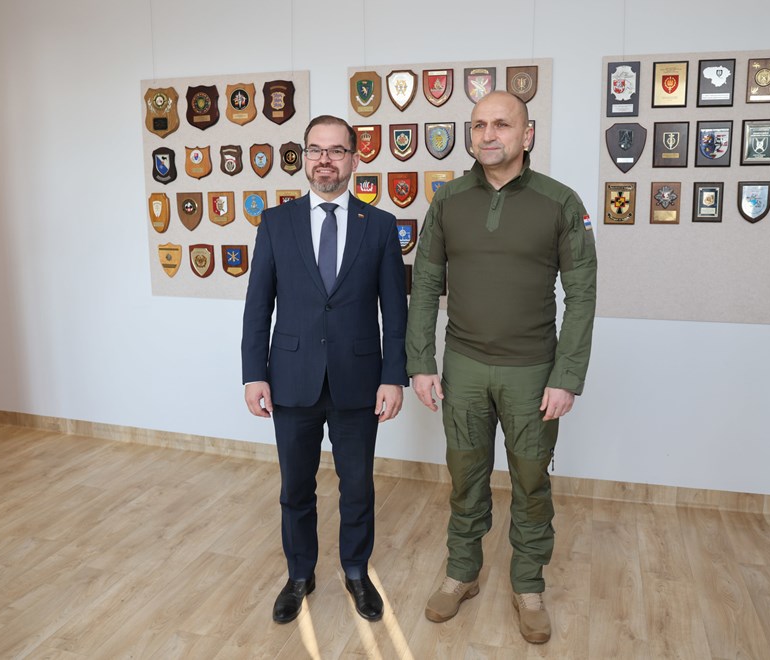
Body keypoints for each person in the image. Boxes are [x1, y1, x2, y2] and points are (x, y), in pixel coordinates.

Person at [406, 91, 597, 644]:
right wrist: (420, 361)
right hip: (463, 367)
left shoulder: (560, 203)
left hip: (532, 372)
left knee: (531, 482)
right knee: (465, 477)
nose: (488, 135)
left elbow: (582, 294)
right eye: (479, 125)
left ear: (527, 134)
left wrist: (566, 376)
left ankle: (528, 585)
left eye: (502, 124)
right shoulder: (447, 201)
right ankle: (462, 573)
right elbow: (425, 285)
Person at [242, 115, 408, 624]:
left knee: (357, 486)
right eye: (315, 150)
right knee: (296, 488)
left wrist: (393, 376)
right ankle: (300, 574)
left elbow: (394, 311)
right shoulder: (276, 223)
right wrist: (253, 373)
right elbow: (257, 306)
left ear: (355, 158)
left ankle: (356, 571)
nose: (324, 160)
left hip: (359, 380)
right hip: (292, 379)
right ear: (304, 157)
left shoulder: (380, 226)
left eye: (336, 151)